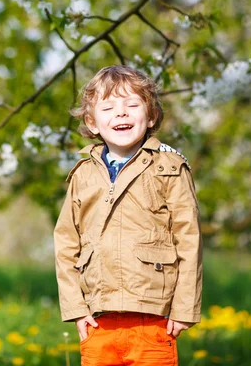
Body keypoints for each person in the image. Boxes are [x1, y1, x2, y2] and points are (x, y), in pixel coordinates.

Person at [53, 65, 203, 365]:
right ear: (92, 122)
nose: (121, 113)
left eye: (132, 105)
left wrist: (185, 307)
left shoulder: (169, 168)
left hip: (153, 317)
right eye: (108, 107)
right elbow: (66, 243)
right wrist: (76, 308)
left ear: (150, 117)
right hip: (99, 318)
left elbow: (189, 240)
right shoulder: (83, 174)